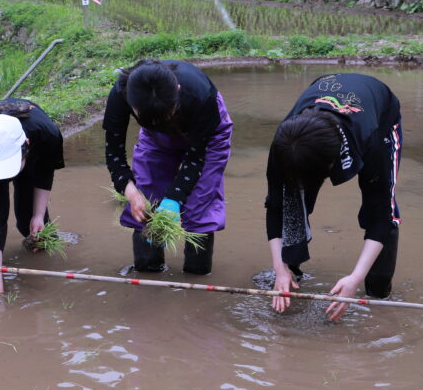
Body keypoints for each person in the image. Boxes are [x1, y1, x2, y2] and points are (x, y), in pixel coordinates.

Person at [265, 73, 403, 322]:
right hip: (323, 98)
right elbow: (274, 206)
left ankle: (378, 291)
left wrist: (354, 279)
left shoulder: (369, 136)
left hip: (379, 114)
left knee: (381, 207)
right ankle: (290, 273)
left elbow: (382, 216)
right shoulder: (284, 144)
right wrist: (279, 267)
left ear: (331, 164)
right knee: (291, 200)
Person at [104, 59, 232, 275]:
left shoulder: (202, 96)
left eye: (167, 114)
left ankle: (196, 276)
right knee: (147, 201)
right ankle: (148, 270)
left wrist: (174, 199)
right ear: (132, 104)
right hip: (157, 139)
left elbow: (195, 159)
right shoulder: (122, 93)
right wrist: (130, 192)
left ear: (178, 91)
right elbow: (114, 152)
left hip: (207, 137)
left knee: (198, 204)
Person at [0, 99, 64, 296]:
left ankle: (41, 262)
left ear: (26, 145)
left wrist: (38, 215)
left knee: (30, 224)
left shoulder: (46, 134)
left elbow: (44, 174)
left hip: (31, 159)